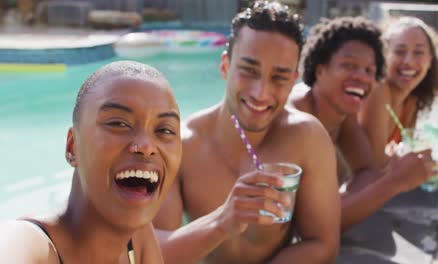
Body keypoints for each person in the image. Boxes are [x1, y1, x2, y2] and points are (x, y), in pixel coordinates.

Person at [153, 1, 340, 263]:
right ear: (225, 66)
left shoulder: (308, 138)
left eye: (279, 78)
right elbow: (151, 252)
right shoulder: (181, 144)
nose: (260, 93)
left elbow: (322, 243)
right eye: (249, 71)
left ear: (294, 79)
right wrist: (222, 221)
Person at [0, 61, 182, 263]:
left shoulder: (137, 238)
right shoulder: (28, 243)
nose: (146, 146)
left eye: (165, 130)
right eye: (119, 124)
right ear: (73, 146)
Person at [288, 16, 437, 231]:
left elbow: (368, 170)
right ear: (319, 69)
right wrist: (394, 182)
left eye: (369, 70)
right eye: (349, 65)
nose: (361, 77)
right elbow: (313, 226)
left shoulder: (343, 110)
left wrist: (343, 204)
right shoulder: (297, 122)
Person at [358, 16, 438, 168]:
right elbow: (376, 167)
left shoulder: (412, 99)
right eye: (399, 51)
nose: (409, 61)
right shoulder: (378, 91)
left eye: (418, 52)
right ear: (383, 56)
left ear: (430, 59)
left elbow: (405, 149)